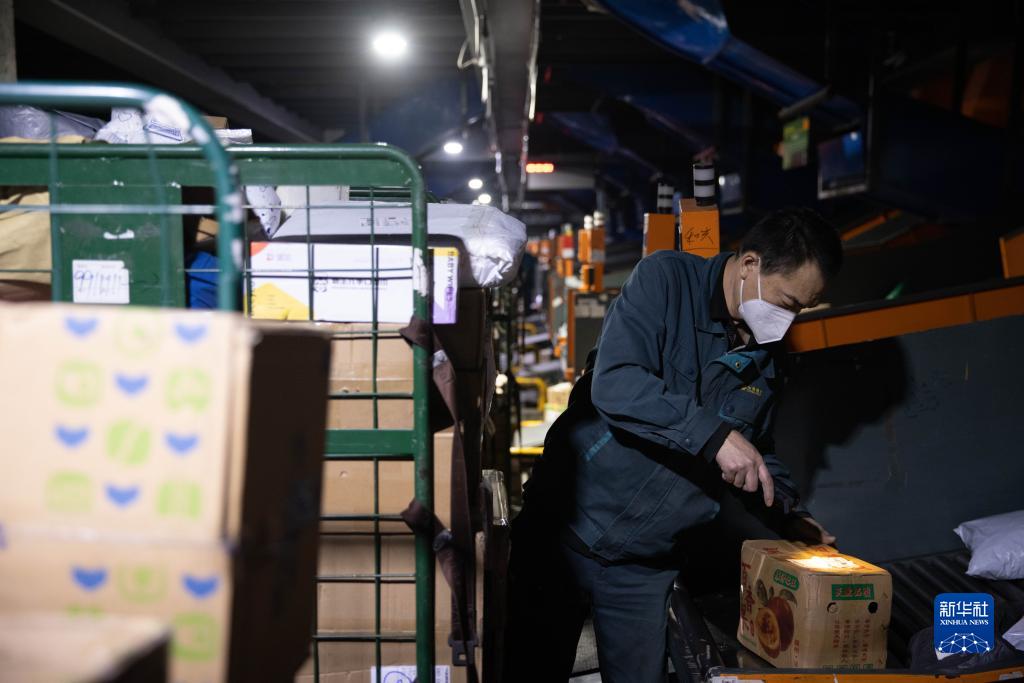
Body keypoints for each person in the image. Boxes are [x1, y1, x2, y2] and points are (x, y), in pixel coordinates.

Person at [504, 207, 843, 683]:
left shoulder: (769, 358)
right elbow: (617, 383)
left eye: (801, 310)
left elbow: (755, 447)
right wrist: (714, 436)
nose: (787, 322)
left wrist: (788, 514)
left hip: (645, 565)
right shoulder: (665, 281)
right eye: (786, 303)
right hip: (565, 532)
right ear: (749, 264)